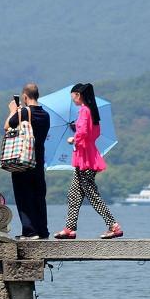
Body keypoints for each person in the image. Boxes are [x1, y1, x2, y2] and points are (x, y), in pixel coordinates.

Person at [56, 82, 123, 240]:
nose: (72, 99)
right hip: (86, 156)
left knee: (92, 194)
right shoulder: (91, 111)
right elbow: (94, 133)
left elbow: (84, 132)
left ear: (78, 95)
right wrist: (78, 132)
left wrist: (74, 139)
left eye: (72, 96)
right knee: (74, 194)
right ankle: (70, 228)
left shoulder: (84, 111)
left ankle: (113, 225)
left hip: (85, 157)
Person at [5, 84, 52, 240]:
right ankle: (42, 231)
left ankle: (30, 232)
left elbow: (7, 126)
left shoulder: (24, 112)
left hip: (23, 160)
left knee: (23, 196)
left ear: (25, 97)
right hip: (38, 161)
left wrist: (13, 110)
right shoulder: (46, 115)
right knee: (38, 196)